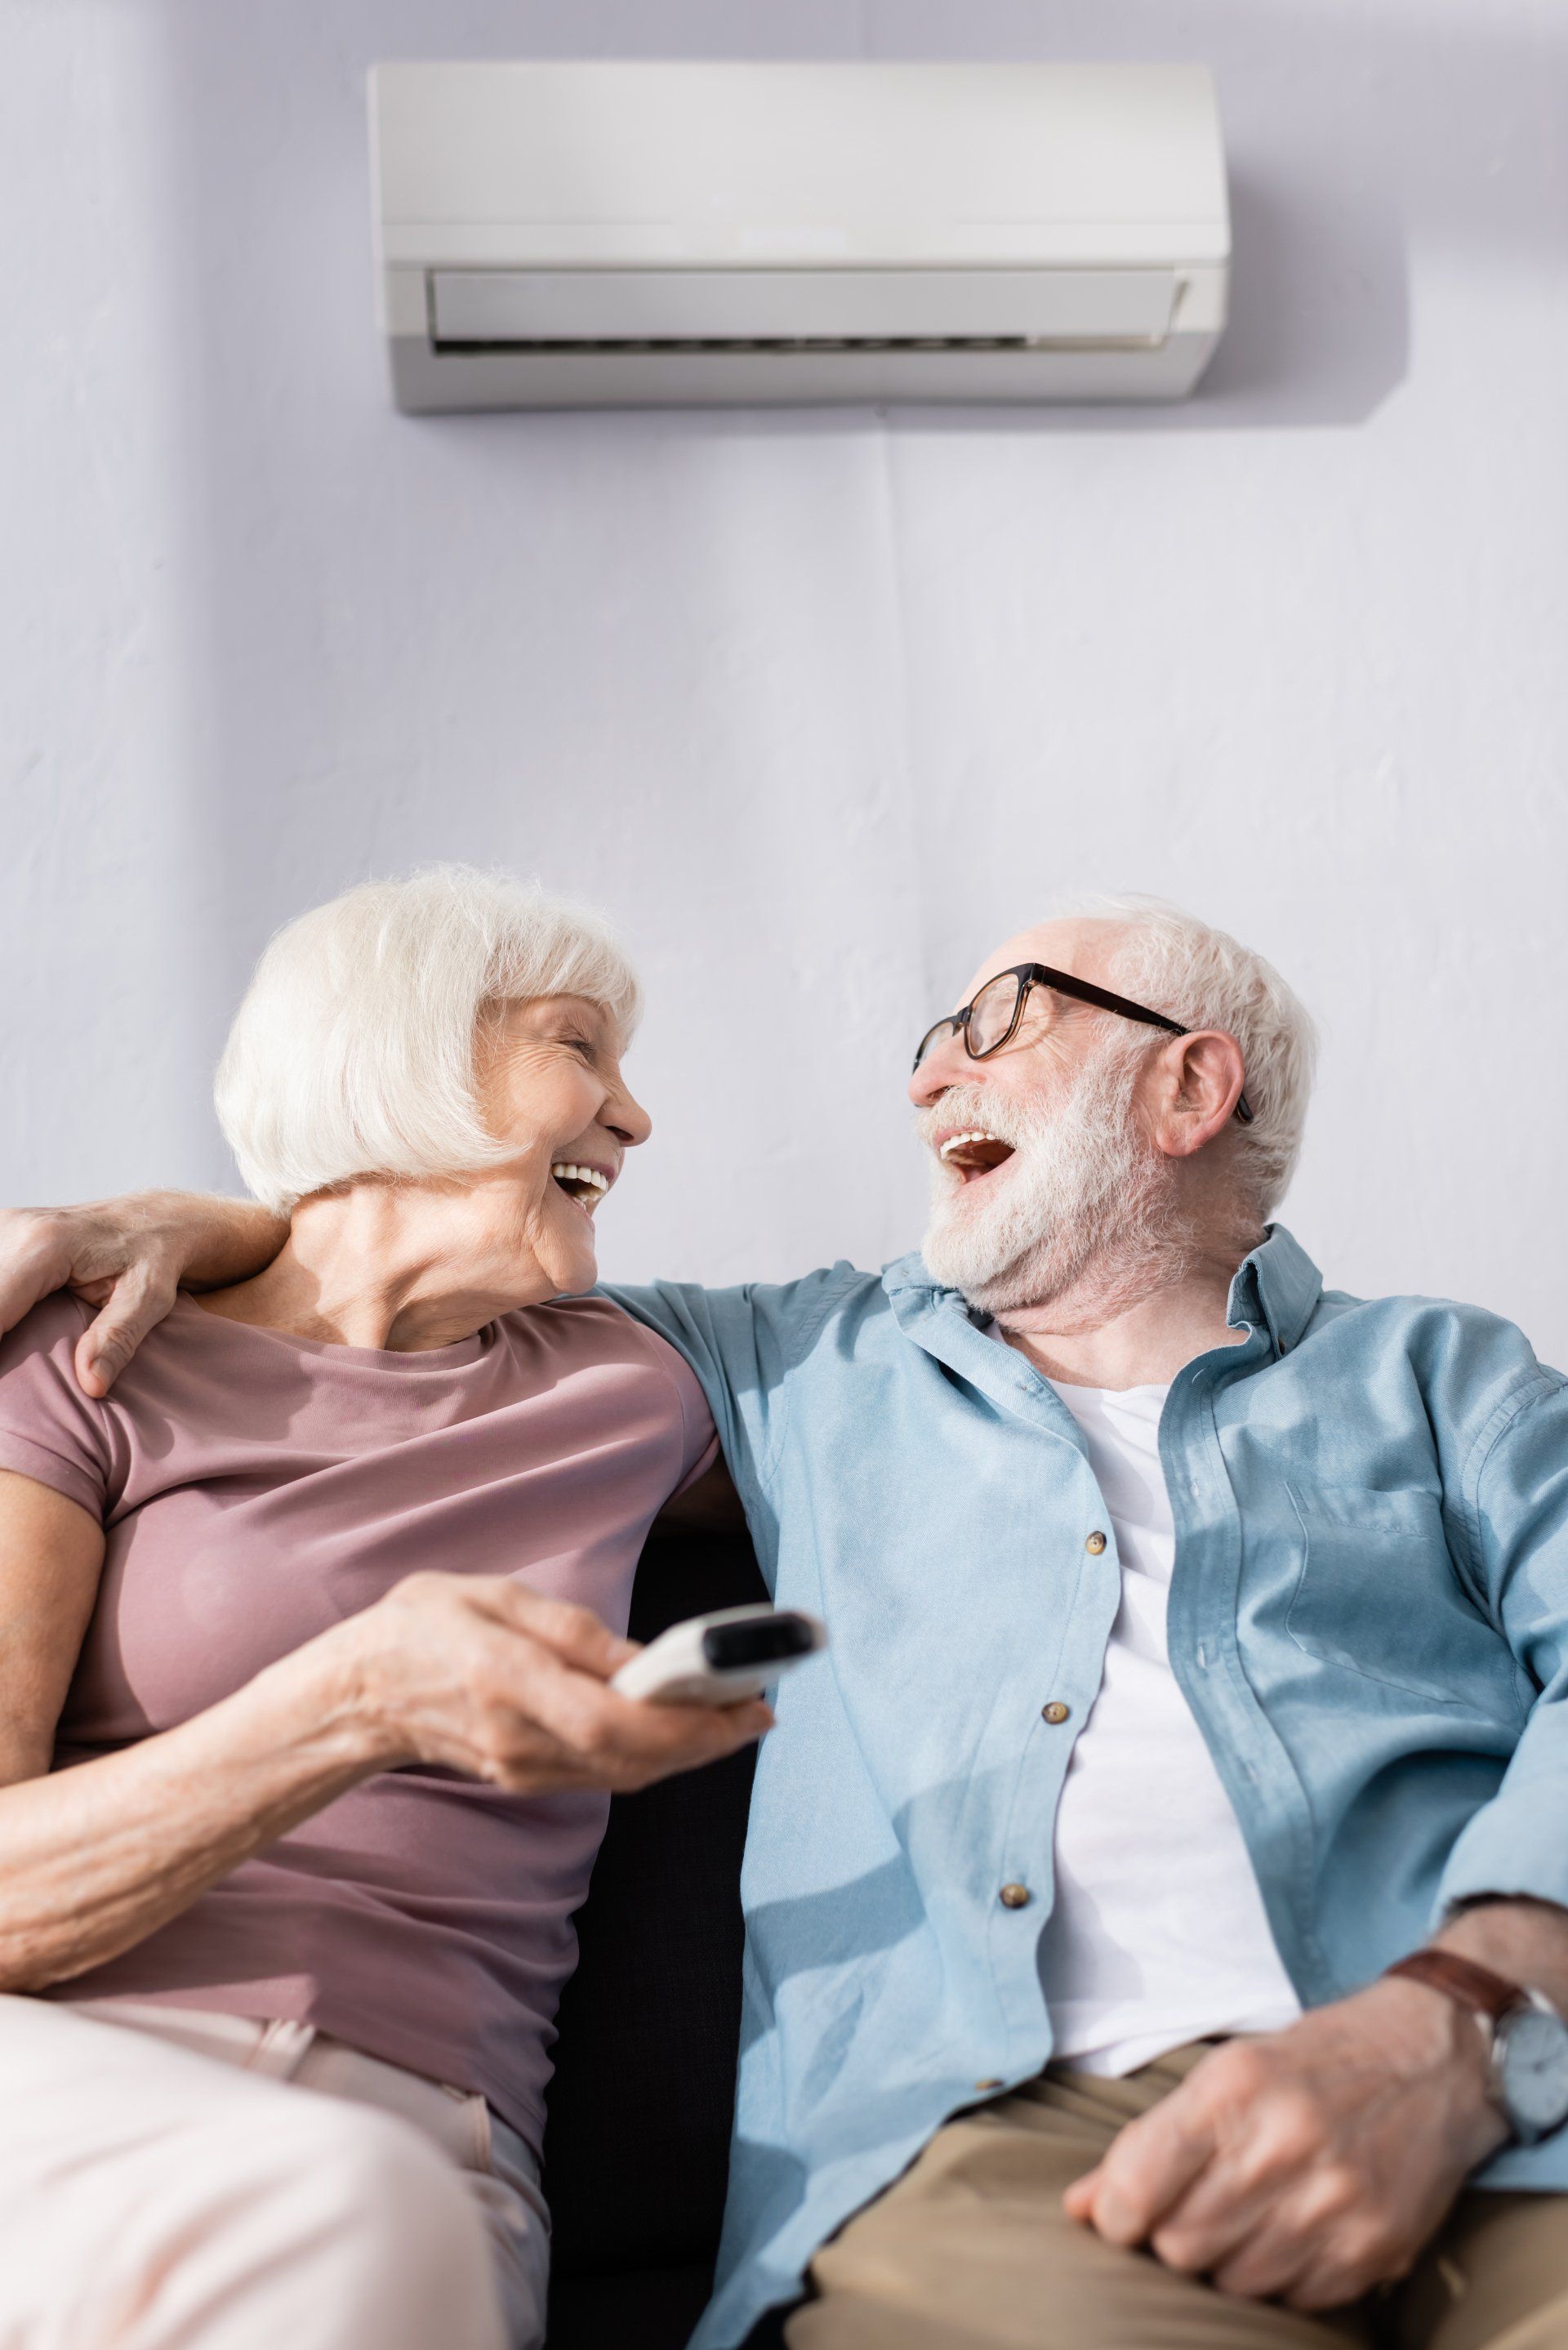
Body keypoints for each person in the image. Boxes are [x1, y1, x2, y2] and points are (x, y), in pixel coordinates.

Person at [9, 895, 1568, 2350]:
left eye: (1001, 1020)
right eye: (931, 1039)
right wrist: (181, 1225)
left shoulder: (1444, 1379)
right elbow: (375, 1278)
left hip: (1510, 2071)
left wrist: (1464, 2011)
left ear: (1190, 1087)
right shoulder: (806, 1362)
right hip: (1001, 2150)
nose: (929, 1076)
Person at [0, 864, 770, 2350]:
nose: (635, 1115)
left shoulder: (633, 1385)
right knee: (340, 2205)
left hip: (433, 2147)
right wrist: (357, 1698)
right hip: (61, 2087)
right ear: (405, 1055)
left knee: (369, 2211)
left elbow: (985, 1382)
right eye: (580, 1047)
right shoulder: (88, 1359)